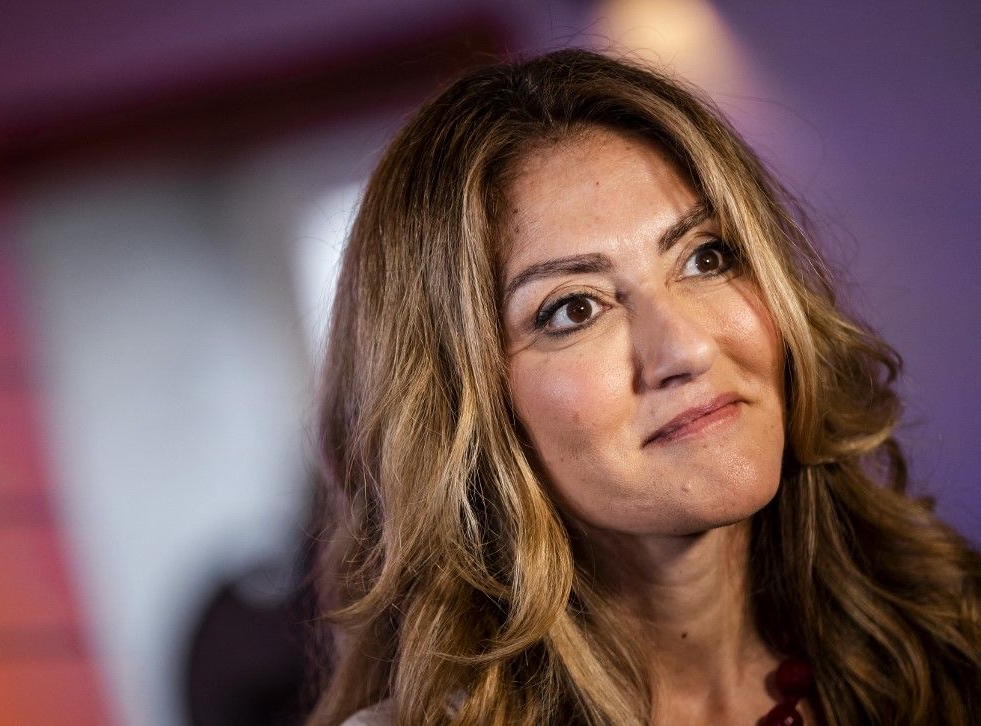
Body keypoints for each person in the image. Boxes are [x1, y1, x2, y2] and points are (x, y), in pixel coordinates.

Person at [304, 49, 981, 725]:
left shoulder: (953, 641)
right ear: (463, 407)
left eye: (705, 257)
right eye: (573, 309)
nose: (685, 348)